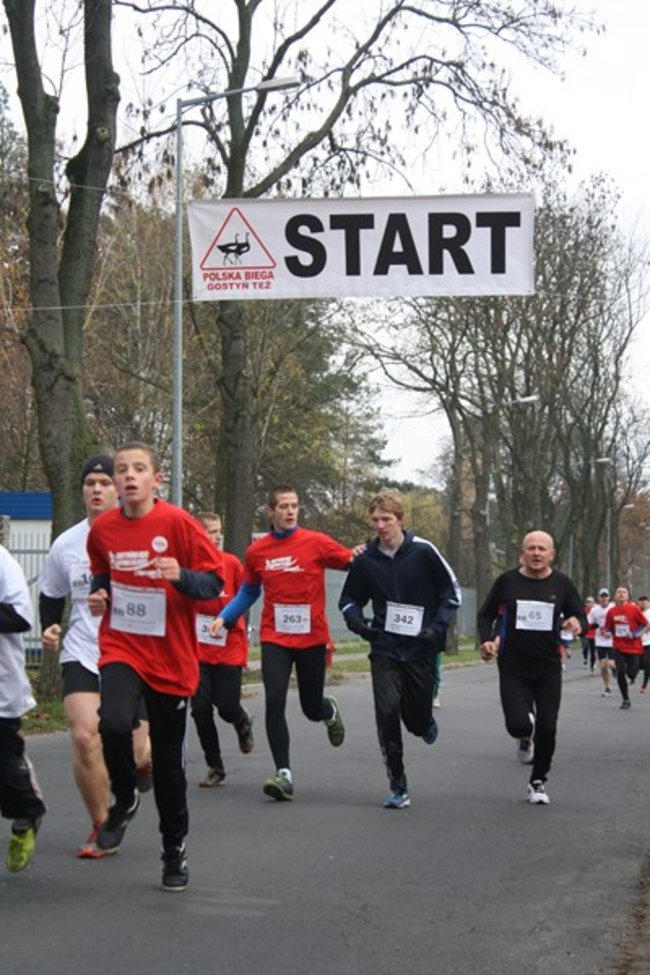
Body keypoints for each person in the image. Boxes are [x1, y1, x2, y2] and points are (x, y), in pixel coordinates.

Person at [87, 442, 224, 892]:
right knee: (112, 722)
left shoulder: (179, 524)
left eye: (138, 469)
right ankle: (125, 797)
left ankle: (174, 849)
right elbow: (101, 573)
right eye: (121, 470)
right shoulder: (103, 529)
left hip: (171, 657)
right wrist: (100, 594)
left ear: (155, 479)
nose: (128, 477)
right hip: (122, 646)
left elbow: (214, 585)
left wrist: (180, 576)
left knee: (168, 768)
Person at [38, 453, 152, 859]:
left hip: (134, 652)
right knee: (85, 735)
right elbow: (51, 594)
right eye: (91, 483)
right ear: (83, 491)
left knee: (136, 750)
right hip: (83, 650)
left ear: (119, 488)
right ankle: (103, 824)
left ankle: (142, 765)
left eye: (106, 482)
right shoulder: (66, 544)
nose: (99, 489)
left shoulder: (141, 533)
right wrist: (50, 627)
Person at [209, 485, 351, 802]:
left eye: (295, 505)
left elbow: (351, 563)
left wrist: (363, 556)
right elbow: (249, 590)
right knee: (274, 698)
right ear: (270, 512)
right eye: (283, 506)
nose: (290, 511)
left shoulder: (316, 543)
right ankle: (283, 773)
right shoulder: (257, 552)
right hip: (275, 637)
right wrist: (226, 616)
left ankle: (329, 711)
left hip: (312, 637)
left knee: (310, 707)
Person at [339, 490, 461, 809]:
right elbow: (349, 600)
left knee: (415, 720)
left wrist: (436, 629)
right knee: (387, 710)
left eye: (387, 519)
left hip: (420, 648)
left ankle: (424, 723)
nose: (380, 525)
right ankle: (397, 783)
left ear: (400, 520)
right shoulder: (366, 559)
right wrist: (359, 624)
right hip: (385, 648)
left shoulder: (424, 552)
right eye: (375, 519)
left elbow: (452, 593)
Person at [477, 530, 585, 805]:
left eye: (542, 549)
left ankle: (538, 781)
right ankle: (524, 737)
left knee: (548, 726)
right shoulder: (507, 581)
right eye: (531, 548)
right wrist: (487, 641)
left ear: (551, 554)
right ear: (522, 553)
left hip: (548, 666)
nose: (536, 553)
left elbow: (579, 613)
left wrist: (577, 623)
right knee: (517, 725)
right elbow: (486, 614)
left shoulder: (561, 583)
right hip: (513, 665)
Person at [191, 512, 253, 787]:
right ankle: (215, 766)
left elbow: (246, 596)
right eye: (210, 532)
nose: (216, 537)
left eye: (218, 532)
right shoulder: (188, 567)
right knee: (200, 708)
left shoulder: (231, 564)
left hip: (228, 644)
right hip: (197, 649)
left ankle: (241, 721)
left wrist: (231, 622)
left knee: (226, 706)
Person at [1, 543, 47, 872]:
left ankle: (26, 814)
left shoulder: (3, 563)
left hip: (1, 688)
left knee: (4, 766)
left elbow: (20, 616)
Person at [604, 586, 649, 709]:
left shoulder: (634, 609)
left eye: (624, 592)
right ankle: (626, 699)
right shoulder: (611, 611)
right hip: (618, 646)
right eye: (619, 592)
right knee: (620, 672)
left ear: (628, 596)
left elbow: (645, 624)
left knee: (632, 673)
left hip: (633, 647)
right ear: (615, 595)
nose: (621, 594)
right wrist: (607, 632)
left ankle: (632, 676)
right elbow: (608, 627)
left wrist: (634, 634)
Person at [588, 588, 615, 696]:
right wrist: (597, 628)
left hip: (613, 640)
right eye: (602, 596)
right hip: (600, 640)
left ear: (609, 597)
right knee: (603, 666)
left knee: (611, 663)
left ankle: (617, 671)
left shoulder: (613, 608)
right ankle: (607, 686)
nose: (604, 598)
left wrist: (611, 630)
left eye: (606, 596)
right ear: (599, 598)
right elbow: (590, 622)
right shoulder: (595, 610)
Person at [638, 595, 650, 693]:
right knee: (636, 664)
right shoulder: (636, 613)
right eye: (641, 601)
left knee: (647, 662)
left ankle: (644, 684)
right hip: (638, 643)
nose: (643, 602)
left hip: (649, 642)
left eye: (644, 601)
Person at [581, 596, 597, 672]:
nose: (589, 603)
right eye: (587, 601)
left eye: (590, 602)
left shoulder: (596, 611)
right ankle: (585, 659)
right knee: (585, 647)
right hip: (585, 633)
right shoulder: (583, 611)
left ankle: (592, 665)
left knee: (593, 651)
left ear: (593, 603)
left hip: (594, 634)